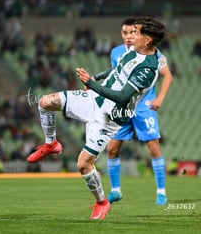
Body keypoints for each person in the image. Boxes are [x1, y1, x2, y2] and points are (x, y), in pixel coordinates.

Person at [27, 16, 165, 220]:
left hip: (109, 117)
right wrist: (98, 78)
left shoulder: (148, 69)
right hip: (94, 98)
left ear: (147, 40)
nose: (131, 36)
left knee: (83, 164)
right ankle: (51, 144)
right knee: (45, 102)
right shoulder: (133, 51)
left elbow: (122, 96)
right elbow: (117, 70)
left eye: (136, 33)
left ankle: (102, 202)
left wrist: (92, 83)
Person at [106, 18, 173, 206]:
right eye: (125, 33)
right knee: (111, 148)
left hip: (144, 107)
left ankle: (161, 192)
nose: (129, 36)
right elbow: (115, 77)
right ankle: (116, 191)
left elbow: (167, 75)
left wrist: (160, 97)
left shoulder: (154, 53)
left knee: (153, 148)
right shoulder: (116, 53)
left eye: (132, 32)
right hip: (122, 106)